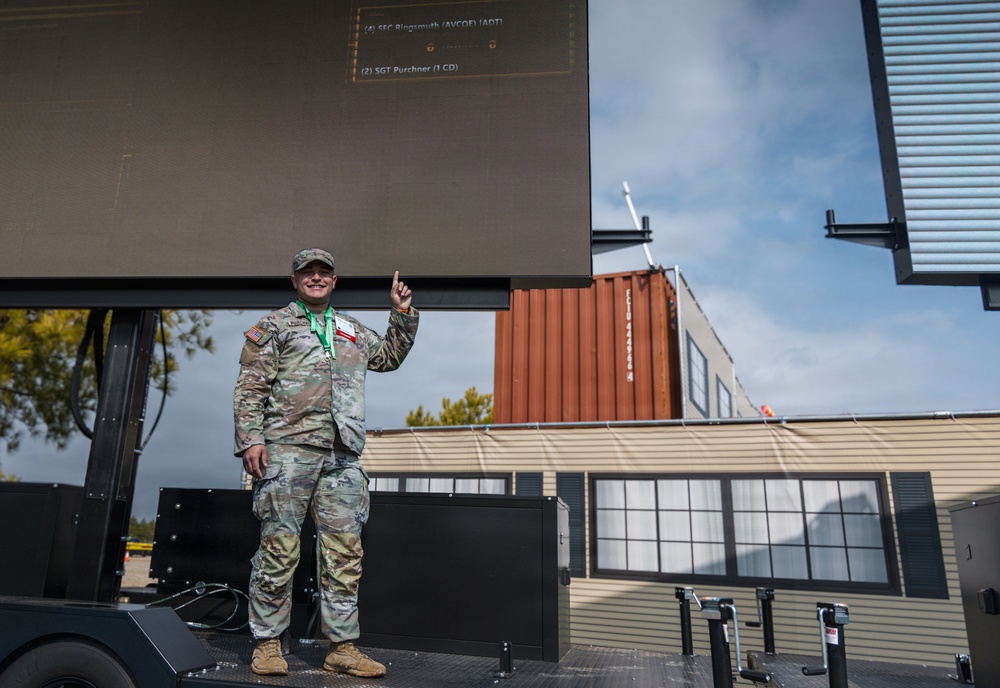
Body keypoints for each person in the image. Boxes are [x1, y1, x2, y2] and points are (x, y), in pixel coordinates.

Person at [233, 248, 418, 677]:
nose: (316, 278)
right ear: (295, 281)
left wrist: (402, 314)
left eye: (324, 273)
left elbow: (388, 357)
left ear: (334, 281)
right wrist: (251, 440)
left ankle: (342, 648)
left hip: (343, 454)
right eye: (307, 272)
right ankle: (267, 644)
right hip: (288, 450)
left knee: (345, 552)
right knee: (279, 549)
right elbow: (250, 387)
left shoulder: (352, 329)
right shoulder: (274, 326)